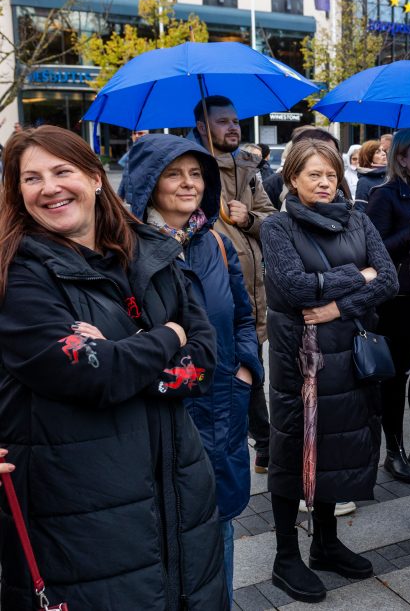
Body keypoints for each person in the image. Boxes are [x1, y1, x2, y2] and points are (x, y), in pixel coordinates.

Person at [0, 126, 227, 608]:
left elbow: (204, 365)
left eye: (63, 171)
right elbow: (89, 373)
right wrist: (166, 337)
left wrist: (123, 356)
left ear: (96, 178)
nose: (50, 187)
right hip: (84, 519)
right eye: (31, 178)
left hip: (180, 499)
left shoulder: (152, 253)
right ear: (18, 193)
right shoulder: (18, 275)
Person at [121, 133, 263, 603]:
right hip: (165, 417)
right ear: (147, 183)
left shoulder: (215, 244)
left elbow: (244, 315)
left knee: (218, 521)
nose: (188, 184)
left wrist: (244, 369)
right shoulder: (123, 252)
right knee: (165, 532)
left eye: (196, 173)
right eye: (174, 173)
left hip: (222, 408)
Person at [261, 139, 398, 603]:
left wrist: (337, 305)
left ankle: (325, 543)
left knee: (338, 445)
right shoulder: (277, 227)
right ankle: (285, 555)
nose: (324, 183)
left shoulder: (357, 217)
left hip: (350, 352)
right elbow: (295, 288)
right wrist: (357, 276)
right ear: (292, 178)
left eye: (330, 174)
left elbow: (390, 279)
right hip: (301, 358)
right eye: (313, 174)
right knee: (293, 447)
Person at [192, 95, 278, 474]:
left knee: (250, 365)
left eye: (235, 120)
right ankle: (258, 443)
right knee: (232, 370)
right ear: (201, 127)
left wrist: (247, 220)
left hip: (254, 291)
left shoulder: (249, 168)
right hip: (215, 290)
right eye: (222, 121)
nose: (232, 127)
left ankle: (262, 444)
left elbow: (272, 222)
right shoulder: (189, 168)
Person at [366, 129, 410, 485]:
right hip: (397, 301)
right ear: (400, 158)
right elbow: (377, 250)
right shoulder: (386, 195)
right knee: (394, 380)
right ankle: (392, 451)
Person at [354, 139, 388, 203]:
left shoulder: (392, 175)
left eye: (383, 150)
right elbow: (360, 208)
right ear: (369, 158)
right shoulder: (364, 182)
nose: (383, 154)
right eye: (378, 152)